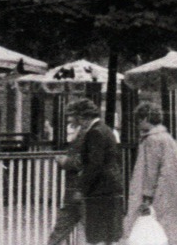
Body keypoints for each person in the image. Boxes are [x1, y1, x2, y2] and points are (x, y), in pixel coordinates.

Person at [124, 103, 177, 245]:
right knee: (175, 231)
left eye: (138, 120)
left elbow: (151, 172)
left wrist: (146, 198)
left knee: (156, 232)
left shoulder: (152, 140)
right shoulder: (167, 138)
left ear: (144, 119)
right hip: (174, 192)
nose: (137, 125)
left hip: (159, 194)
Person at [58, 98, 123, 245]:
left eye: (77, 119)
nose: (78, 123)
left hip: (100, 188)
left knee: (97, 233)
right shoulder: (105, 129)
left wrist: (81, 188)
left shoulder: (95, 133)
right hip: (109, 187)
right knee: (106, 234)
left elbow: (94, 164)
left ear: (83, 117)